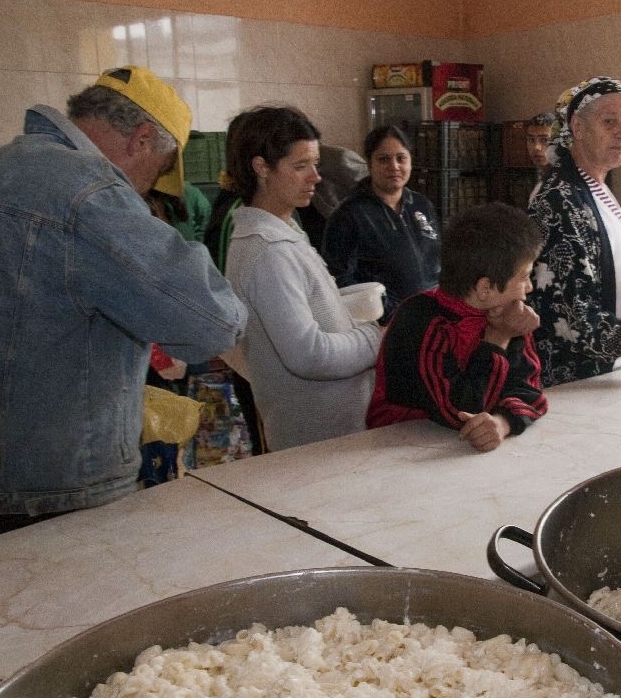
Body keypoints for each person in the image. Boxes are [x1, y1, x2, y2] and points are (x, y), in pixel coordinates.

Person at [0, 65, 246, 533]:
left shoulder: (7, 164)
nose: (147, 189)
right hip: (59, 487)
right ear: (142, 139)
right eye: (159, 171)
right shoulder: (91, 193)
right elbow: (209, 322)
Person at [221, 105, 382, 452]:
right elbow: (308, 354)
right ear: (261, 167)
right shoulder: (268, 252)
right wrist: (376, 338)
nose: (316, 177)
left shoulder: (286, 234)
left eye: (315, 163)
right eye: (300, 166)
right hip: (315, 442)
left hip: (338, 433)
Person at [528, 76, 621, 386]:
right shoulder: (559, 199)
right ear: (578, 128)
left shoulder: (594, 188)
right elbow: (573, 315)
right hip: (571, 381)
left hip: (606, 372)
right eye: (609, 121)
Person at [367, 202, 548, 452]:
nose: (529, 287)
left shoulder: (506, 314)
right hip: (394, 450)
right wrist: (497, 339)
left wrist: (502, 422)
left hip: (452, 451)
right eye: (524, 277)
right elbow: (459, 411)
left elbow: (532, 391)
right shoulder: (421, 319)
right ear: (486, 288)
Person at [321, 125, 441, 323]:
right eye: (383, 159)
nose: (394, 166)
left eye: (401, 158)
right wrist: (388, 314)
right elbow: (340, 280)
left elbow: (438, 260)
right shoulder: (349, 215)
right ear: (369, 164)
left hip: (432, 319)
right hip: (385, 328)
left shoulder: (421, 205)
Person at [525, 111, 555, 201]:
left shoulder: (564, 183)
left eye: (545, 140)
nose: (536, 147)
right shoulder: (541, 178)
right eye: (531, 140)